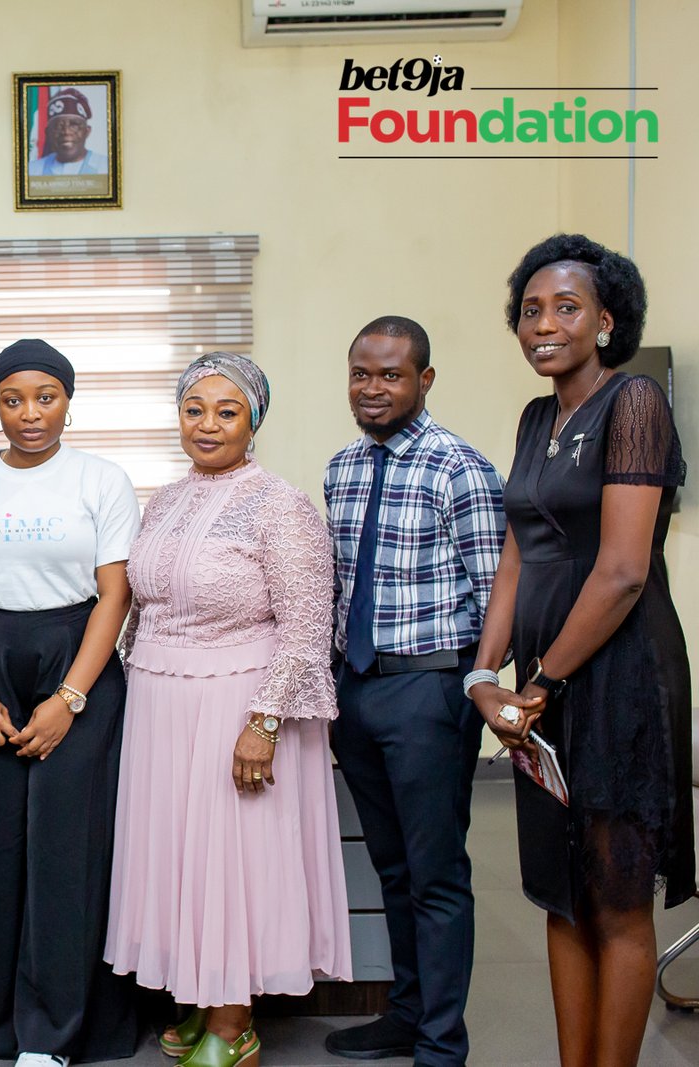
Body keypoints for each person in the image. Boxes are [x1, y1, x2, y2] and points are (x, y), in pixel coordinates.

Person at [468, 234, 693, 1067]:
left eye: (566, 308)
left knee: (618, 901)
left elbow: (624, 571)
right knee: (561, 897)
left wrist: (541, 685)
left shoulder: (634, 403)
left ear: (605, 322)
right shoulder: (537, 417)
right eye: (531, 310)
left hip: (620, 678)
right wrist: (486, 673)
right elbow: (516, 558)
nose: (543, 324)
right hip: (544, 686)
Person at [106, 352, 352, 1066]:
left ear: (253, 422)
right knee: (181, 856)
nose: (207, 425)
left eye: (227, 411)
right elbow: (142, 608)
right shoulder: (164, 500)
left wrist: (264, 722)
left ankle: (235, 1020)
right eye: (194, 409)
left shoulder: (280, 504)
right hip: (160, 703)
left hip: (237, 703)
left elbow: (307, 627)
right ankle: (200, 994)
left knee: (234, 860)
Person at [0, 340, 140, 1067]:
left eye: (46, 396)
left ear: (68, 401)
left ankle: (55, 1031)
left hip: (76, 656)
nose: (30, 413)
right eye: (13, 399)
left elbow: (115, 595)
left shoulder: (101, 479)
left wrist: (70, 698)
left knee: (66, 849)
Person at [322, 317, 505, 1066]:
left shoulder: (460, 468)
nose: (373, 388)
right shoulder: (342, 467)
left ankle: (441, 1042)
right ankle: (405, 1013)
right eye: (361, 374)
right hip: (357, 689)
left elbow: (499, 597)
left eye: (391, 375)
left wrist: (477, 685)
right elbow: (339, 588)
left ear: (424, 380)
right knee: (392, 868)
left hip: (430, 691)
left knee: (436, 874)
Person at [27, 88, 107, 176]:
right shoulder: (31, 170)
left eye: (74, 125)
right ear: (48, 133)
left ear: (87, 131)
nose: (66, 131)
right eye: (58, 126)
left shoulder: (106, 167)